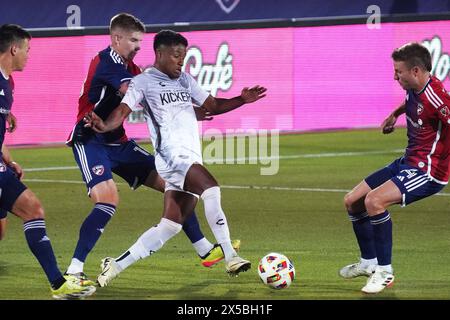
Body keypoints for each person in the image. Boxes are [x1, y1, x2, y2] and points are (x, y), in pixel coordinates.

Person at [84, 29, 266, 287]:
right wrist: (104, 126)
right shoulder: (143, 82)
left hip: (190, 156)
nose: (182, 60)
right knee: (211, 189)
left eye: (184, 55)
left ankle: (115, 265)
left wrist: (242, 100)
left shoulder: (185, 81)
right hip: (172, 157)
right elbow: (123, 111)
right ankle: (231, 256)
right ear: (160, 54)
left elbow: (212, 105)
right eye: (176, 55)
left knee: (169, 227)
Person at [340, 42, 450, 294]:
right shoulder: (415, 88)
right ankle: (368, 263)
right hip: (407, 162)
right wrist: (396, 114)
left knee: (374, 202)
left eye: (398, 71)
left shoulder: (437, 96)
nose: (394, 76)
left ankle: (385, 271)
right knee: (352, 201)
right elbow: (414, 103)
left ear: (415, 71)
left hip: (427, 171)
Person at [0, 23, 96, 299]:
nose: (29, 55)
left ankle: (59, 284)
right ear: (13, 48)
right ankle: (58, 283)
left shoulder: (7, 81)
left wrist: (8, 159)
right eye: (27, 49)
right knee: (33, 208)